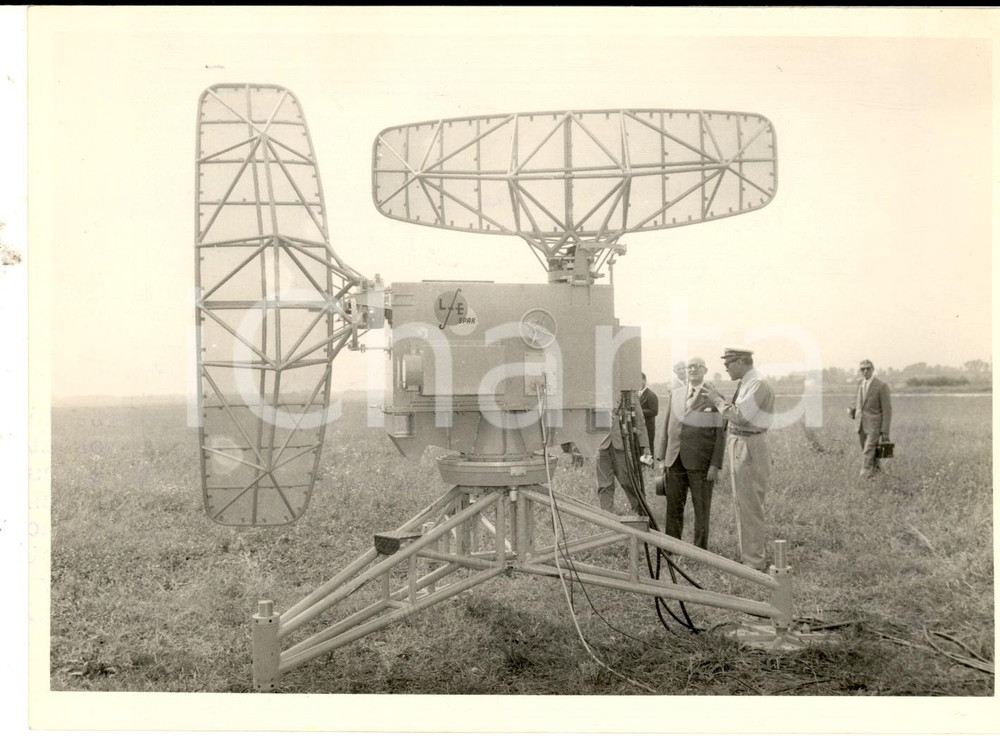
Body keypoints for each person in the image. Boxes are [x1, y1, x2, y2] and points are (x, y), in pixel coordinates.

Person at [703, 346, 774, 571]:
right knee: (742, 503)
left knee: (750, 504)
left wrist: (716, 400)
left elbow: (740, 416)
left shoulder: (757, 384)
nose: (726, 368)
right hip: (740, 442)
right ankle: (749, 557)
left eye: (729, 363)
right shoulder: (747, 382)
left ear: (741, 362)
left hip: (750, 444)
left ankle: (754, 562)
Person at [654, 357, 725, 550]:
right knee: (673, 506)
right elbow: (667, 425)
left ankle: (700, 550)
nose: (692, 369)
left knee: (701, 509)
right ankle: (672, 547)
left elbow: (720, 435)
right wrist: (662, 457)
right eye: (689, 367)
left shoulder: (714, 396)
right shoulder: (675, 394)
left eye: (697, 366)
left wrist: (714, 464)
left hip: (700, 463)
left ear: (705, 370)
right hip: (674, 459)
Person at [597, 390, 652, 515]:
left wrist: (646, 447)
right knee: (604, 484)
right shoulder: (597, 392)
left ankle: (639, 512)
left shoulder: (629, 395)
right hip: (601, 446)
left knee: (628, 481)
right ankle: (606, 515)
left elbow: (640, 421)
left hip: (622, 445)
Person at [848, 359, 892, 478]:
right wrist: (852, 411)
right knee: (870, 451)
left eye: (868, 368)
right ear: (860, 371)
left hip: (874, 425)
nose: (865, 371)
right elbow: (858, 403)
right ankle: (879, 473)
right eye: (863, 369)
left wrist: (885, 431)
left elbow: (887, 410)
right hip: (860, 424)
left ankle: (864, 476)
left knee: (868, 451)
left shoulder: (881, 386)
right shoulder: (860, 384)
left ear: (873, 369)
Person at [638, 372, 659, 452]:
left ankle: (650, 465)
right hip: (639, 428)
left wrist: (638, 412)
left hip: (648, 428)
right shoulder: (636, 394)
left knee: (648, 450)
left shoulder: (651, 395)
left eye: (640, 380)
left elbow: (654, 412)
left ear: (644, 381)